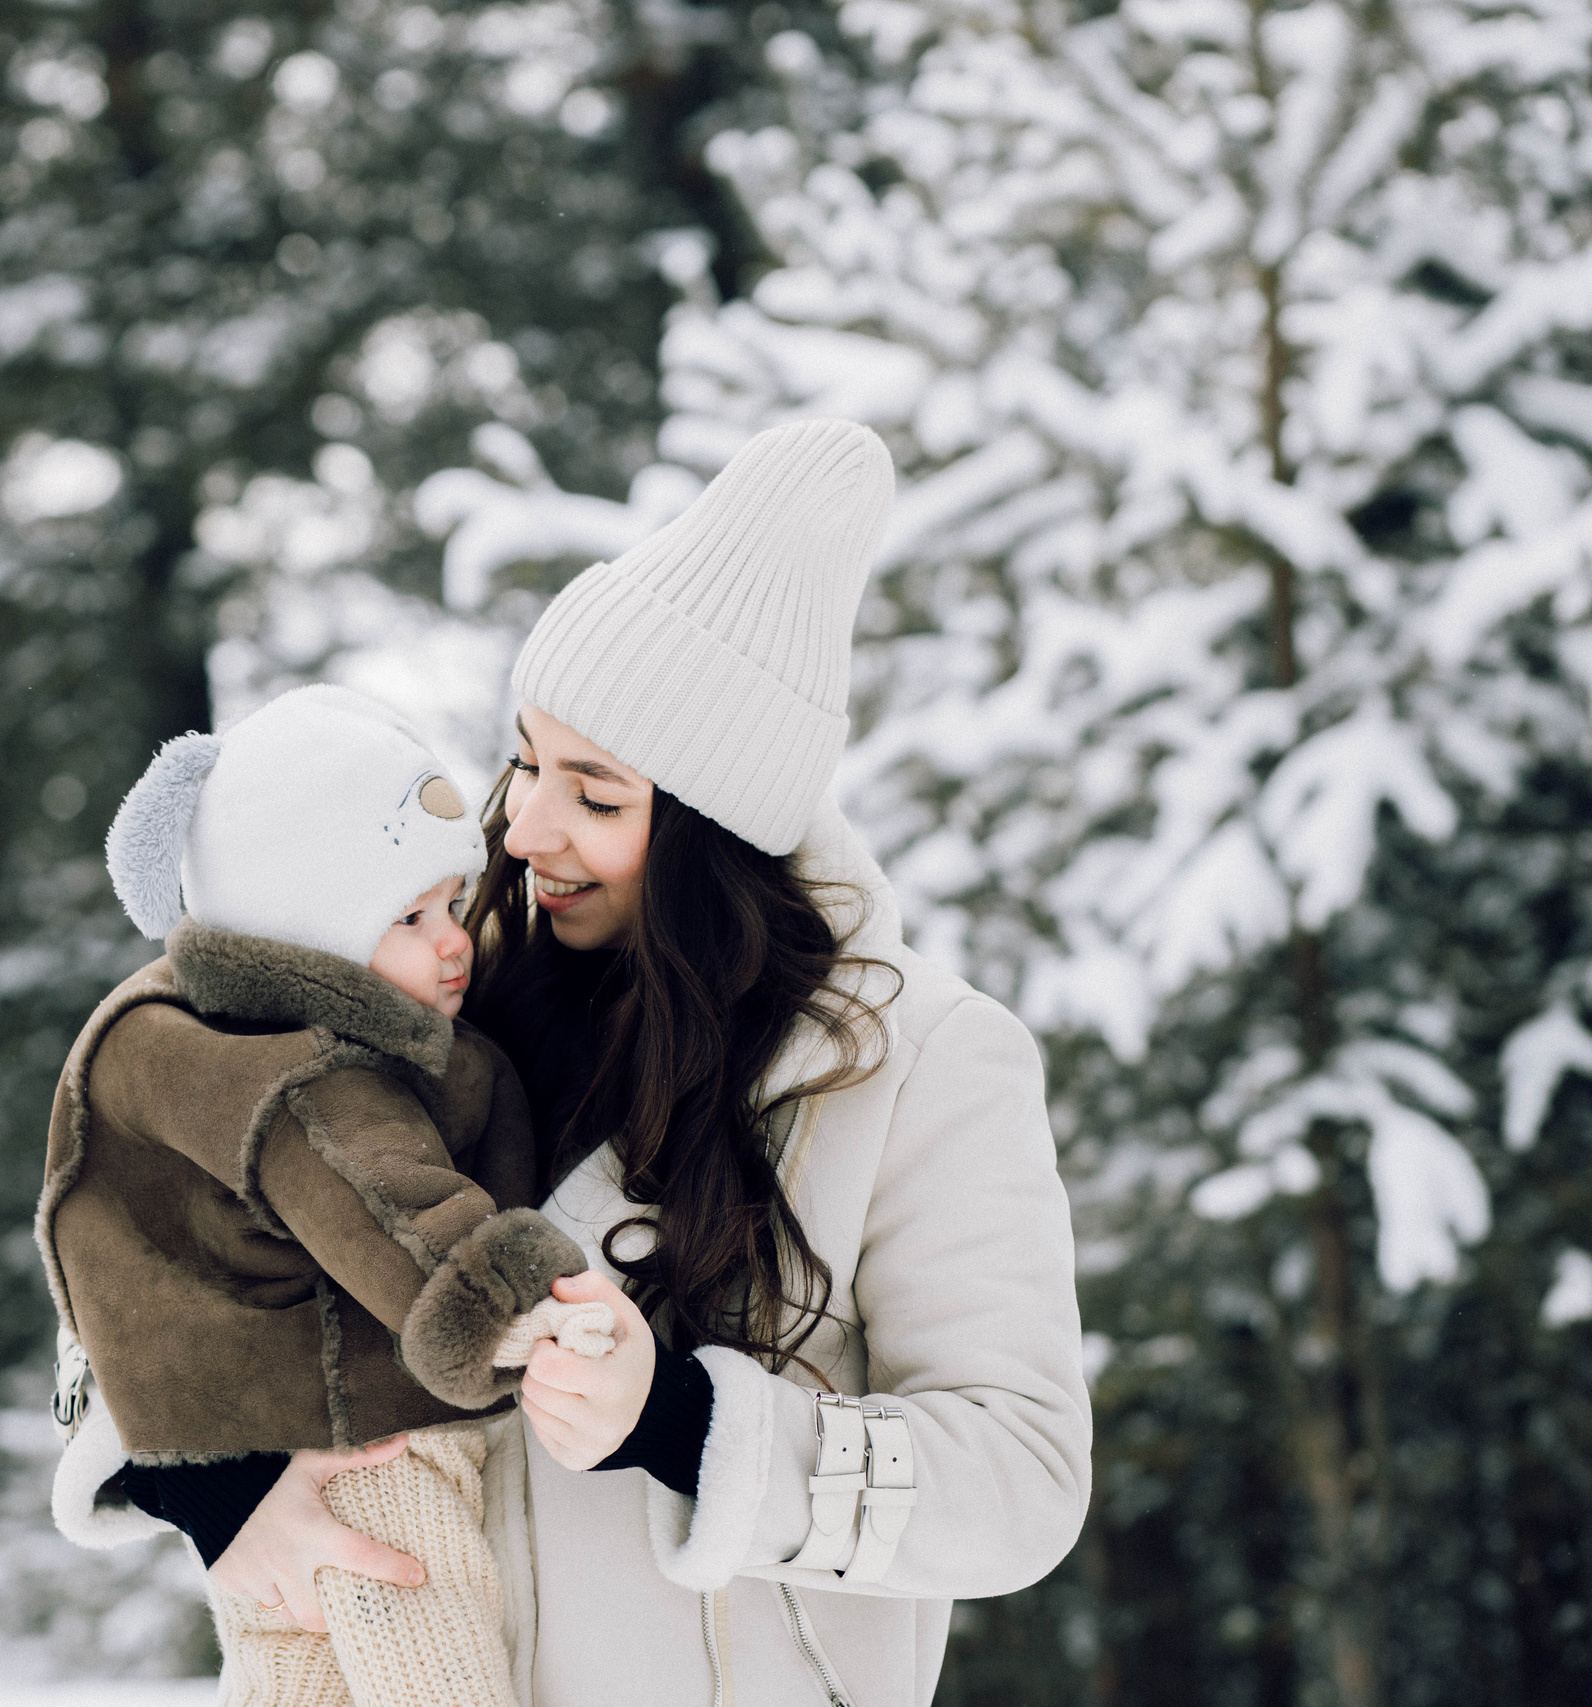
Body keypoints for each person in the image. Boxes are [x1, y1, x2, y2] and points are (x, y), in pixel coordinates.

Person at [53, 419, 1093, 1707]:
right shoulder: (428, 979)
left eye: (598, 796)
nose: (530, 827)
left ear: (717, 833)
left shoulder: (921, 1064)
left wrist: (684, 1428)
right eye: (527, 761)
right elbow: (134, 1212)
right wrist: (213, 1487)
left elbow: (1019, 1480)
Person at [36, 683, 616, 1707]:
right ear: (314, 931)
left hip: (261, 1466)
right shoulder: (321, 1084)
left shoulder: (185, 1034)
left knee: (288, 1687)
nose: (453, 942)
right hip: (378, 1464)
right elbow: (401, 1216)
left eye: (452, 903)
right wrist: (523, 1312)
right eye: (409, 916)